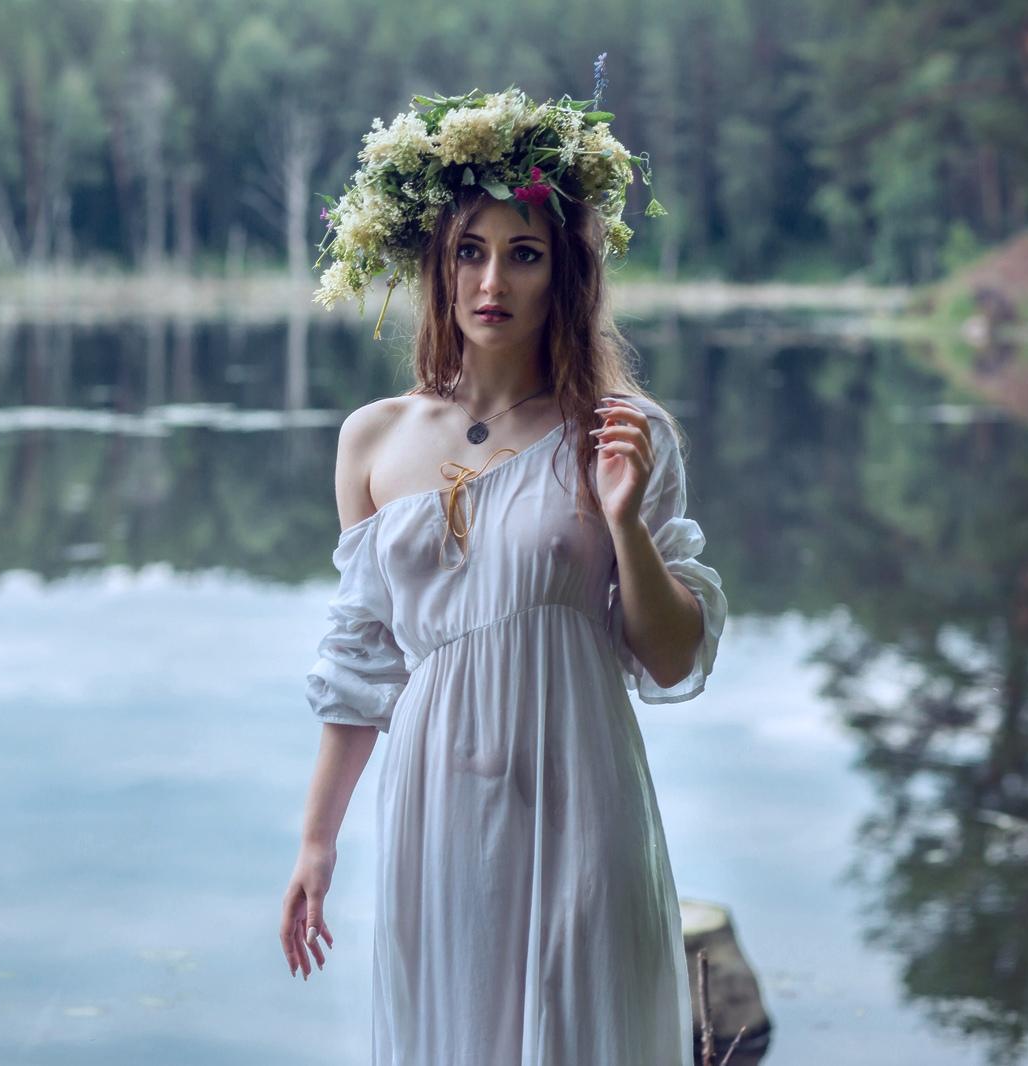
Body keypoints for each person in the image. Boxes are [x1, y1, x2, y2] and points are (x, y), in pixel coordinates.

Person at [279, 86, 728, 1065]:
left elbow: (669, 654)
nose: (494, 280)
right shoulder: (372, 439)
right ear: (435, 267)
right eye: (469, 251)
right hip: (432, 799)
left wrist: (623, 519)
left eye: (523, 253)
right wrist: (317, 843)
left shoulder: (621, 433)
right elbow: (360, 663)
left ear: (562, 273)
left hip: (576, 787)